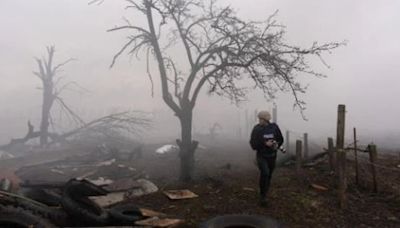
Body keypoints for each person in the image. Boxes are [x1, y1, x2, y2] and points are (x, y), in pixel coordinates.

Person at [249, 110, 284, 207]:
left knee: (269, 176)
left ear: (266, 120)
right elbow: (253, 144)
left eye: (261, 119)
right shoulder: (257, 129)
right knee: (265, 173)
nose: (259, 121)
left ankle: (265, 191)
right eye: (259, 119)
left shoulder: (274, 127)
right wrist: (264, 144)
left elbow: (280, 139)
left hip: (272, 155)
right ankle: (262, 196)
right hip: (261, 156)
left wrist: (276, 144)